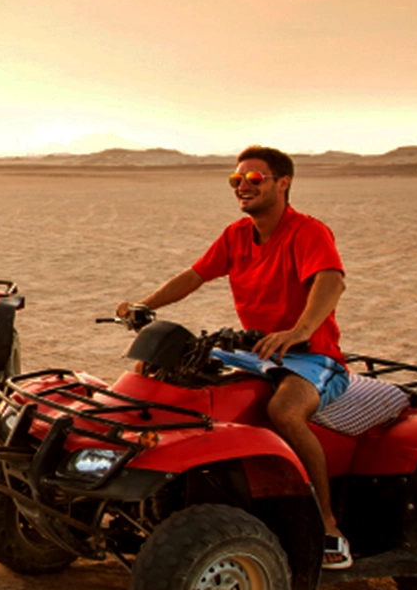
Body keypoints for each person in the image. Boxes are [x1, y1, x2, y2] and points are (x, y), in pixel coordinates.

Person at [115, 145, 352, 568]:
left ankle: (328, 524)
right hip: (254, 351)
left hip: (311, 357)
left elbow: (330, 282)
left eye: (254, 179)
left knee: (285, 410)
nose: (243, 186)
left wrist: (299, 330)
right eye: (236, 180)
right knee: (156, 371)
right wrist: (144, 305)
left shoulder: (308, 232)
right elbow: (195, 275)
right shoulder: (236, 236)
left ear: (283, 183)